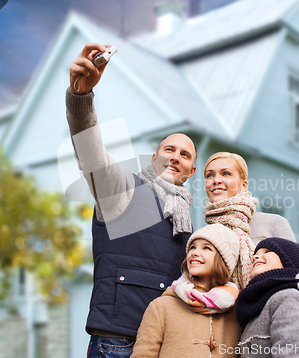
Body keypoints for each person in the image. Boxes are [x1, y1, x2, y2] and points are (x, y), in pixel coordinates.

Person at [67, 43, 197, 358]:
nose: (175, 157)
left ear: (192, 170)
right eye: (169, 150)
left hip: (165, 346)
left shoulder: (188, 225)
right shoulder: (124, 191)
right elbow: (91, 153)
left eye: (184, 154)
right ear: (154, 158)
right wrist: (81, 98)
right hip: (117, 344)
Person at [203, 152, 299, 314]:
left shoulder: (273, 223)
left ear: (244, 185)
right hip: (220, 326)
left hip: (266, 319)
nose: (216, 180)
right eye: (209, 175)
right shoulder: (204, 235)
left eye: (226, 173)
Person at [131, 224, 242, 358]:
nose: (194, 252)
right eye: (192, 247)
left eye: (206, 248)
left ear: (224, 260)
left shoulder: (237, 311)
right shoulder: (161, 307)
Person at [235, 238, 299, 358]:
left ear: (291, 262)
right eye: (255, 255)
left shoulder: (290, 299)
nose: (254, 257)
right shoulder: (258, 310)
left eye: (266, 252)